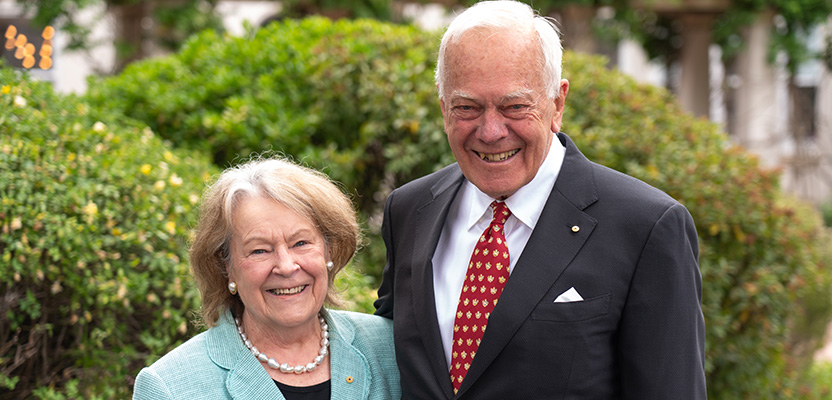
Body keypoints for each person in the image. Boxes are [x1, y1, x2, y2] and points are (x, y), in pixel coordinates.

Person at [373, 1, 706, 399]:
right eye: (467, 108)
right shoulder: (409, 210)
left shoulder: (646, 227)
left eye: (515, 106)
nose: (491, 131)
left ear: (557, 103)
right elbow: (383, 365)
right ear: (444, 108)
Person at [134, 158, 401, 399]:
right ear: (226, 267)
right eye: (259, 250)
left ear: (328, 251)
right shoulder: (168, 387)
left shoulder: (392, 347)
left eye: (301, 243)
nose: (286, 266)